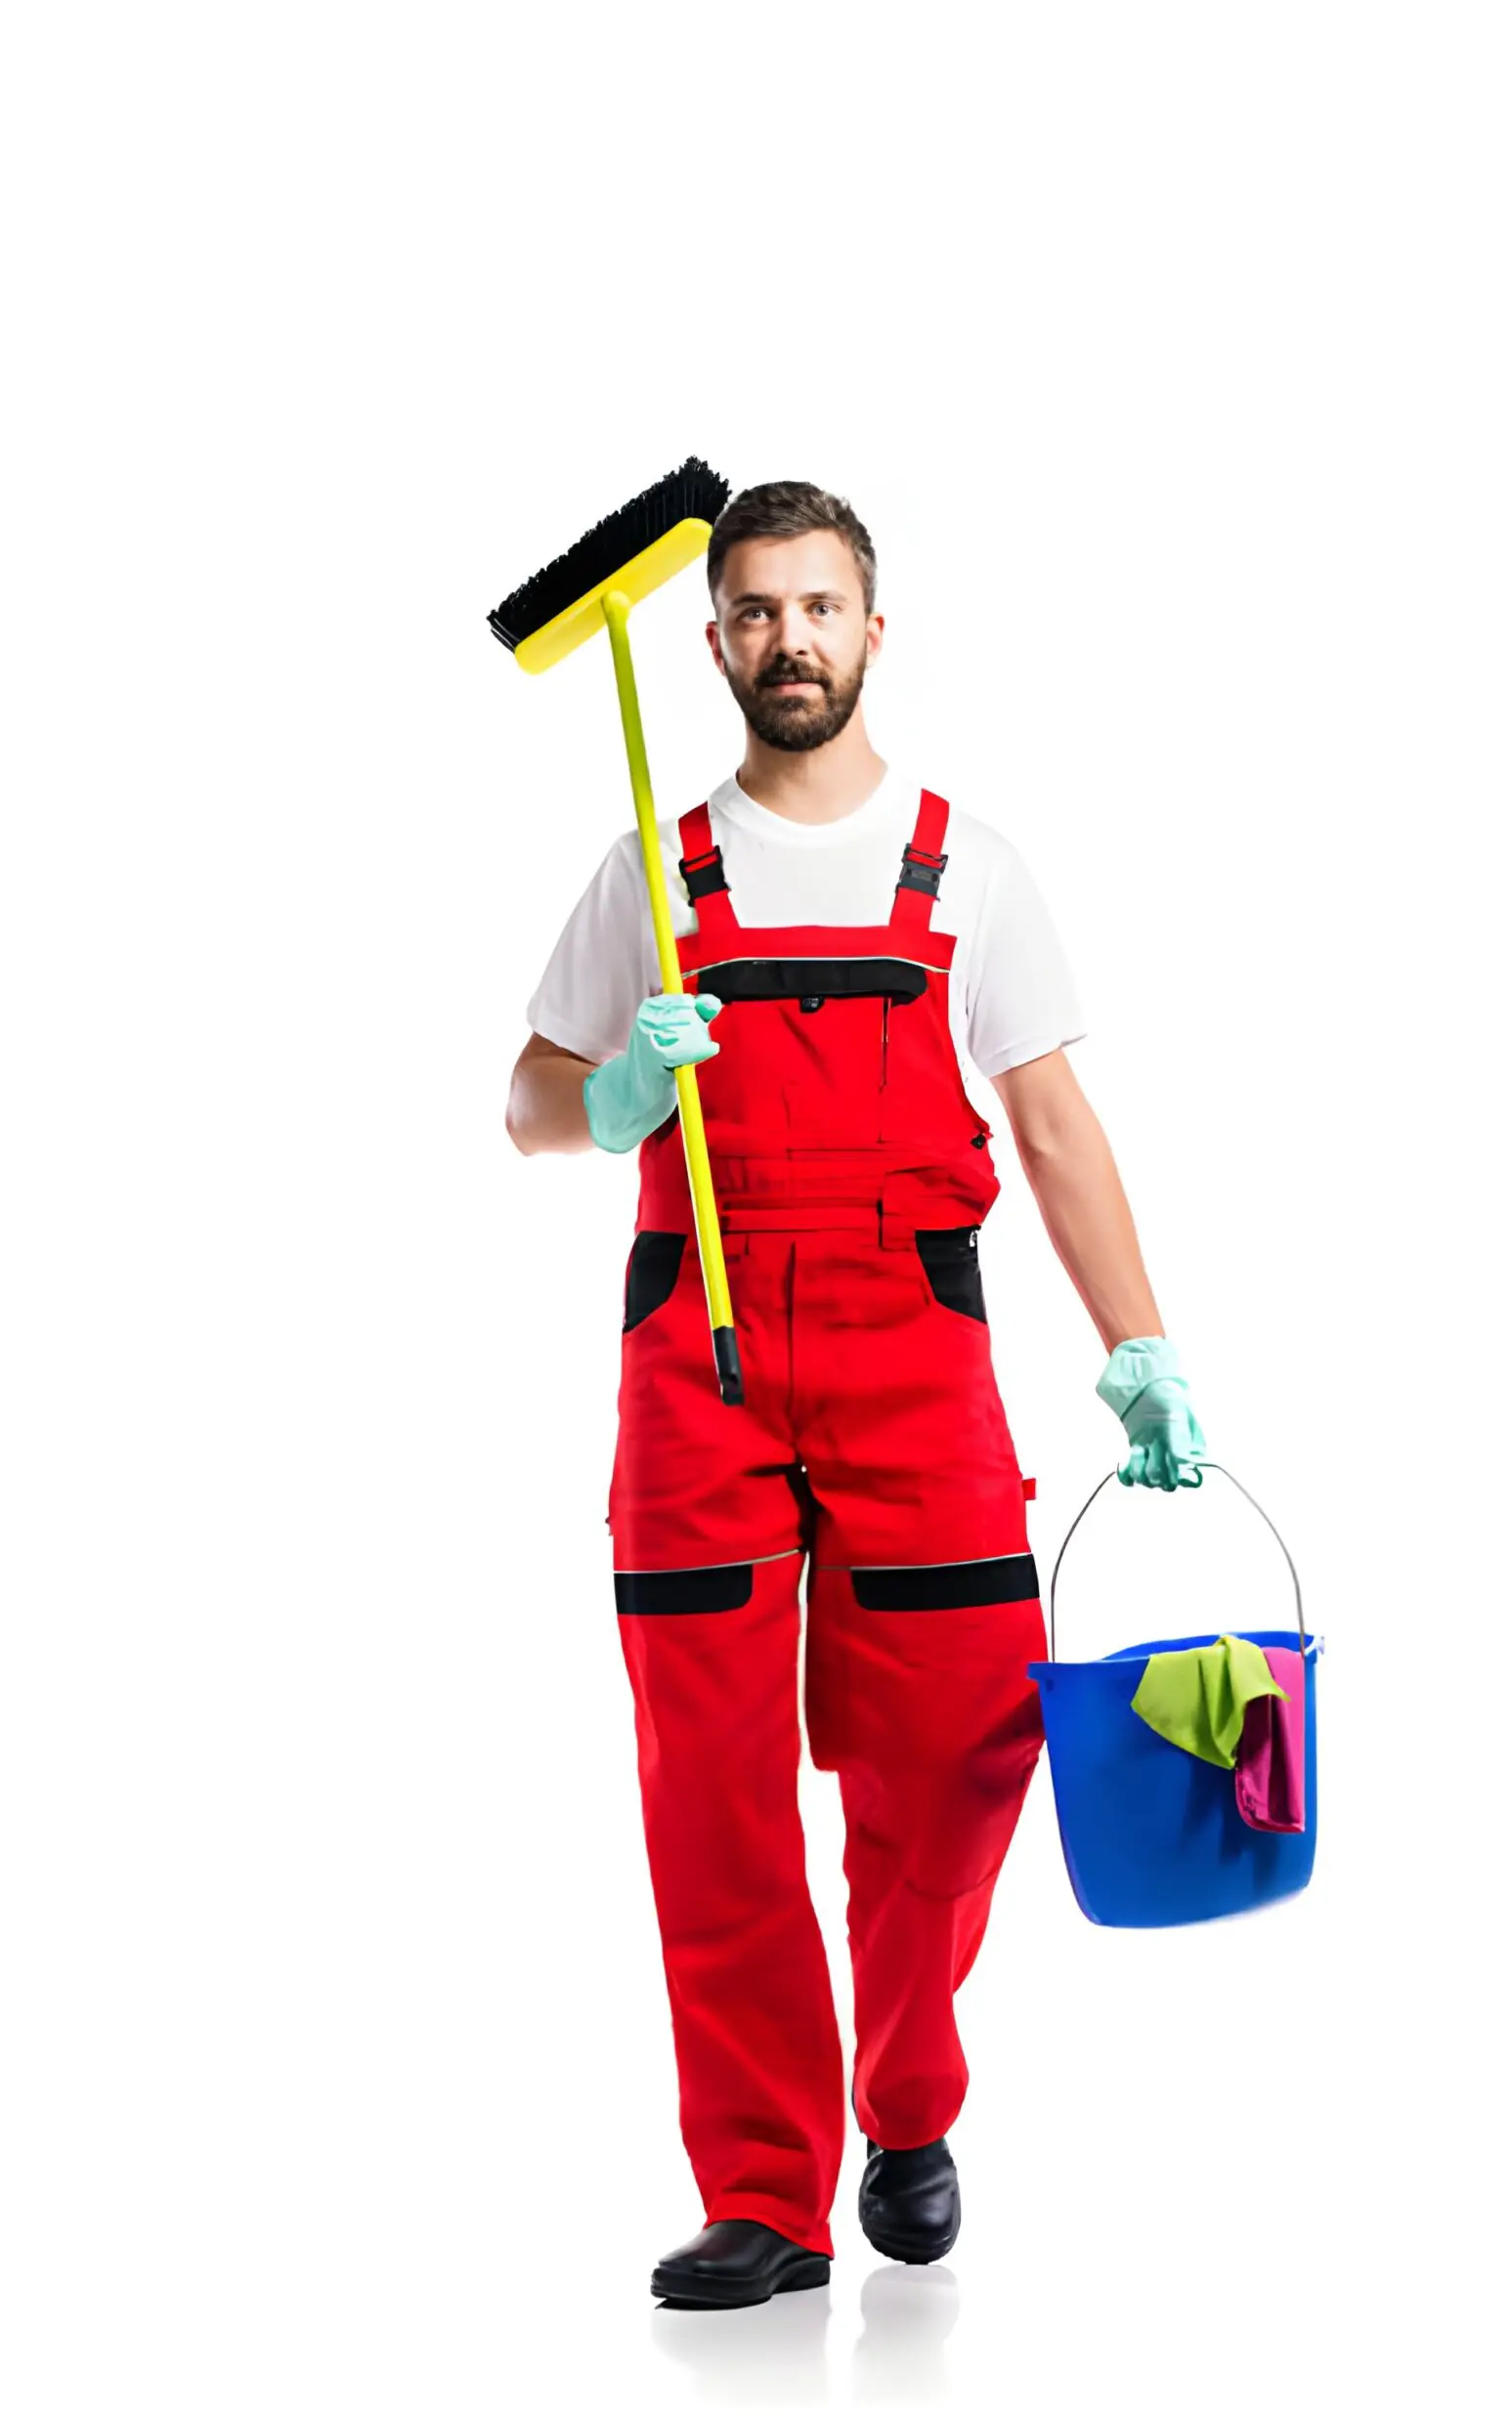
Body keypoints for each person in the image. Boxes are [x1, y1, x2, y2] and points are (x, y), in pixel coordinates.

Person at [505, 479, 1206, 2310]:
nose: (789, 639)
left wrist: (1138, 1346)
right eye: (755, 610)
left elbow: (1052, 1124)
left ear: (873, 631)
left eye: (819, 607)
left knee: (965, 1751)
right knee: (713, 1796)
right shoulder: (652, 871)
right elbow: (528, 1098)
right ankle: (765, 2190)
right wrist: (615, 1097)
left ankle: (906, 2095)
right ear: (713, 640)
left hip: (915, 1355)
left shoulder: (971, 867)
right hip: (704, 1364)